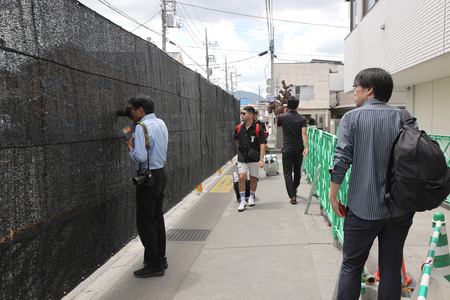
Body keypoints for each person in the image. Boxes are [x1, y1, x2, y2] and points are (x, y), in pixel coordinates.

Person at [328, 68, 417, 299]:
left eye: (356, 86)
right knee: (390, 269)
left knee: (352, 267)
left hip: (362, 209)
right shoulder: (405, 117)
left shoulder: (351, 118)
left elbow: (341, 161)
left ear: (369, 90)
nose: (354, 91)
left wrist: (332, 196)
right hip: (400, 209)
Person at [124, 94, 169, 278]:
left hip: (147, 177)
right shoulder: (161, 123)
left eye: (132, 110)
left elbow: (141, 156)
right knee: (157, 218)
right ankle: (160, 257)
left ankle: (153, 264)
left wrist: (130, 147)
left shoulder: (142, 127)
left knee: (146, 222)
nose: (131, 114)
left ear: (140, 110)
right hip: (159, 175)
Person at [276, 96, 308, 204]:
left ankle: (292, 196)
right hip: (299, 148)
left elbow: (278, 127)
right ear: (298, 106)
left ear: (288, 106)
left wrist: (283, 114)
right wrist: (306, 147)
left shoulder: (282, 117)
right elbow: (304, 133)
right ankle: (294, 188)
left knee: (287, 172)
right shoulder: (302, 118)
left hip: (287, 148)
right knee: (297, 170)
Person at [234, 106, 267, 212]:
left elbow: (262, 144)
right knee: (241, 177)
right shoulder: (238, 128)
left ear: (251, 115)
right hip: (242, 157)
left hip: (253, 157)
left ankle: (251, 197)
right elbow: (237, 142)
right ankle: (242, 200)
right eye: (242, 113)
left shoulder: (258, 128)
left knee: (253, 178)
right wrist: (237, 155)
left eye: (244, 113)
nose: (242, 115)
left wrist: (261, 159)